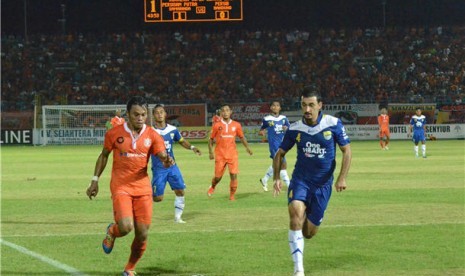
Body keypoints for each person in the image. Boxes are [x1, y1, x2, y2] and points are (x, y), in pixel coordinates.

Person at [86, 96, 174, 276]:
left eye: (143, 114)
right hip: (121, 186)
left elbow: (162, 155)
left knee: (142, 234)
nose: (140, 118)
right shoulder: (114, 133)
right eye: (136, 115)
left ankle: (129, 268)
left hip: (142, 188)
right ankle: (112, 230)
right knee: (126, 227)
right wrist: (95, 180)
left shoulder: (152, 135)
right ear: (128, 115)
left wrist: (166, 160)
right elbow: (104, 155)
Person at [273, 89, 352, 276]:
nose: (307, 109)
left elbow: (346, 151)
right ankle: (298, 269)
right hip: (301, 180)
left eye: (311, 105)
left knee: (308, 232)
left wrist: (342, 177)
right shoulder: (295, 128)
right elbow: (279, 154)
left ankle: (309, 219)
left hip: (323, 185)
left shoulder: (333, 124)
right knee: (295, 216)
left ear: (320, 105)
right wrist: (276, 177)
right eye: (303, 105)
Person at [151, 104, 202, 223]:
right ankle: (144, 195)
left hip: (172, 167)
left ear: (165, 114)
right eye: (157, 112)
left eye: (161, 112)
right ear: (153, 115)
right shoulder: (150, 131)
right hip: (159, 168)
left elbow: (181, 141)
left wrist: (192, 147)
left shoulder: (172, 129)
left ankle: (178, 218)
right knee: (158, 198)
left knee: (180, 191)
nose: (159, 114)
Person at [207, 104, 253, 201]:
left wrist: (247, 147)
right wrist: (210, 152)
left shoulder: (236, 125)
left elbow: (241, 137)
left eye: (227, 110)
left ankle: (232, 195)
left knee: (233, 174)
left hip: (232, 154)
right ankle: (213, 186)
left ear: (231, 112)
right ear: (221, 113)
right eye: (223, 111)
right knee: (218, 177)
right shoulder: (217, 125)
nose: (225, 112)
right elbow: (210, 139)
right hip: (220, 154)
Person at [258, 100, 290, 191]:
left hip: (282, 144)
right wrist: (262, 133)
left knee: (276, 164)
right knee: (283, 164)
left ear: (280, 108)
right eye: (274, 105)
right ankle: (290, 186)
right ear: (271, 107)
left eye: (277, 105)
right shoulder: (267, 119)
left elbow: (289, 129)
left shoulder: (284, 118)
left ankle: (264, 180)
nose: (275, 107)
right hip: (274, 145)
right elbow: (261, 130)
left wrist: (286, 129)